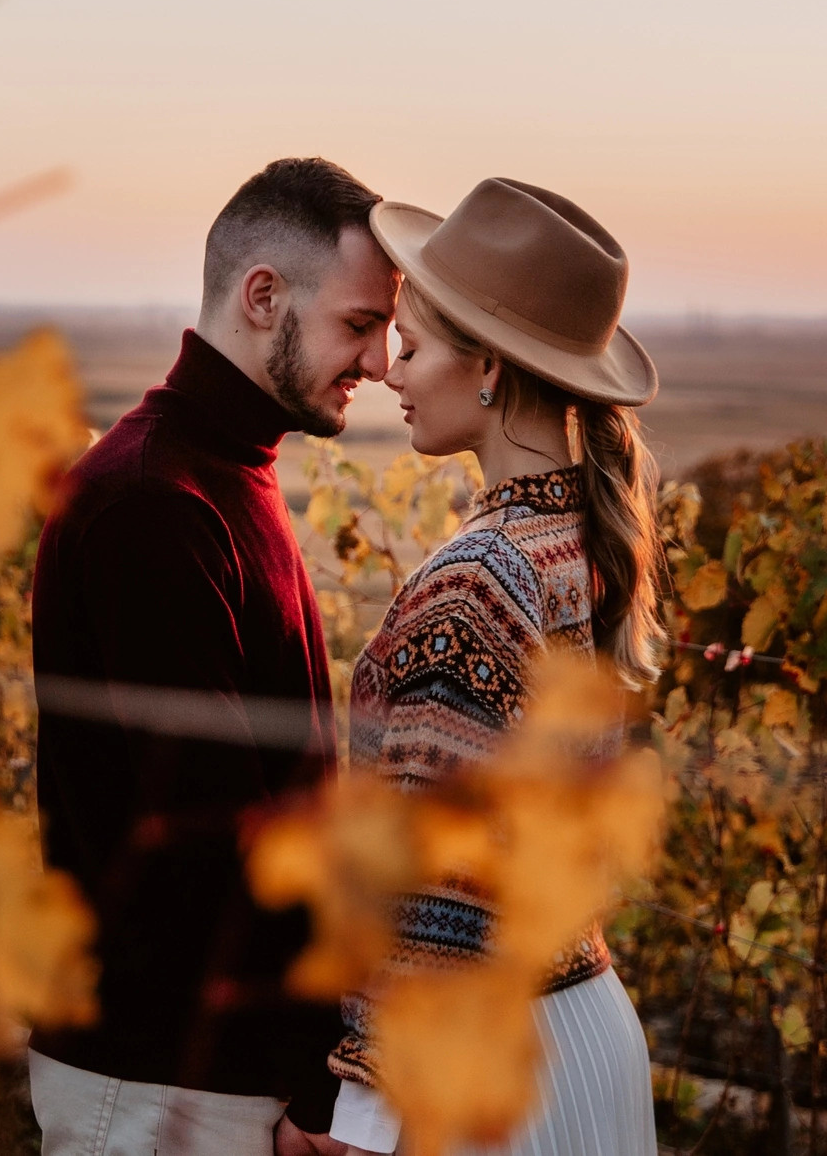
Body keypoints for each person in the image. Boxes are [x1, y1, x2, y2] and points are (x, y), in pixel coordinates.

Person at [29, 158, 394, 1156]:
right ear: (262, 296)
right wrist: (309, 1083)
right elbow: (209, 844)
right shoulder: (153, 504)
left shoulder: (226, 477)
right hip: (160, 1082)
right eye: (359, 324)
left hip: (200, 1074)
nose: (382, 357)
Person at [326, 177, 665, 1156]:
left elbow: (432, 881)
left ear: (486, 366)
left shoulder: (478, 578)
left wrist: (364, 1113)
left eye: (415, 344)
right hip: (586, 1027)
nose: (389, 369)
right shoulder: (587, 540)